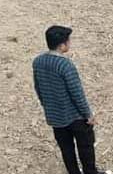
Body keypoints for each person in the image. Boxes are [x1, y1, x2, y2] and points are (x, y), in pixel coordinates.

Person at [33, 25, 104, 174]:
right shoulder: (65, 65)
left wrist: (47, 107)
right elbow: (77, 94)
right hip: (75, 117)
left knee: (66, 149)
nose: (70, 43)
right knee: (86, 146)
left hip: (55, 118)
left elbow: (38, 88)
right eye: (69, 41)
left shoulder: (38, 62)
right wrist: (88, 115)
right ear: (62, 44)